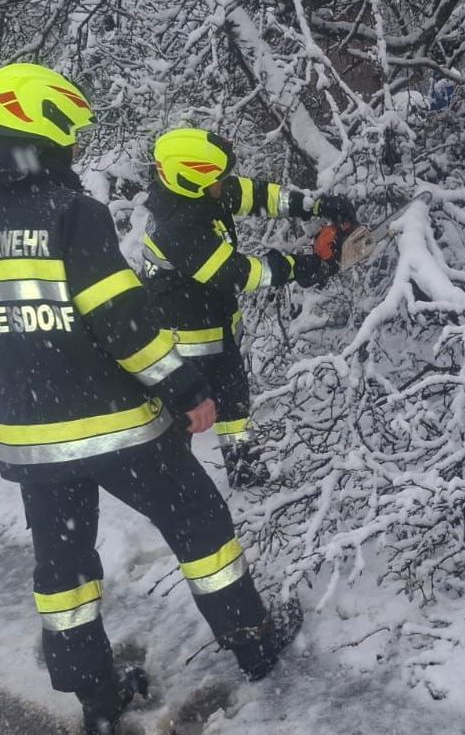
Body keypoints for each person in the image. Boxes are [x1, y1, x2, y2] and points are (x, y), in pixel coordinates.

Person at [0, 63, 292, 735]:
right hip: (115, 428)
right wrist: (186, 388)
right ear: (41, 132)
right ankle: (253, 641)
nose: (76, 150)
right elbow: (123, 320)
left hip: (30, 442)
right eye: (70, 136)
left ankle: (98, 700)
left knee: (63, 573)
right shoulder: (71, 213)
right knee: (201, 527)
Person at [143, 128, 357, 489]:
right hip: (181, 345)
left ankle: (244, 470)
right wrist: (300, 267)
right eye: (217, 180)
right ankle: (169, 488)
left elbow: (258, 196)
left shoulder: (203, 192)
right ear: (191, 181)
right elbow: (238, 273)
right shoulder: (176, 228)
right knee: (182, 418)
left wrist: (315, 205)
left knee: (234, 408)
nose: (224, 185)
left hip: (217, 330)